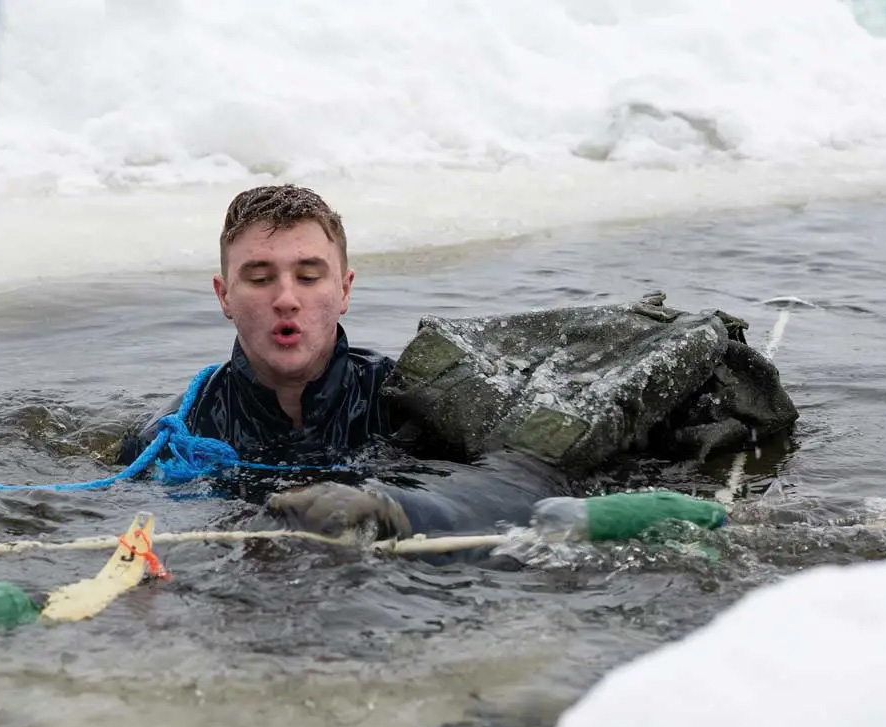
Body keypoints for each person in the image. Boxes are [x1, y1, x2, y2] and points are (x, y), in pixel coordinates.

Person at [116, 184, 567, 541]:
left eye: (309, 277)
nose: (286, 299)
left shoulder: (406, 403)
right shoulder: (178, 434)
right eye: (259, 278)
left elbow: (528, 486)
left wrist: (394, 508)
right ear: (224, 296)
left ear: (345, 290)